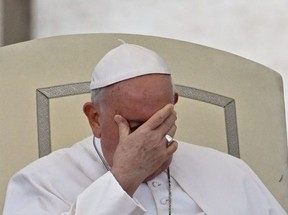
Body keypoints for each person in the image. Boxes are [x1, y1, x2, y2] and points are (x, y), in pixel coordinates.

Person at [3, 43, 287, 215]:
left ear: (173, 104)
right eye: (136, 126)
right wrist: (123, 179)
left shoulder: (229, 172)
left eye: (161, 121)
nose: (151, 141)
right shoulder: (42, 181)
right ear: (95, 118)